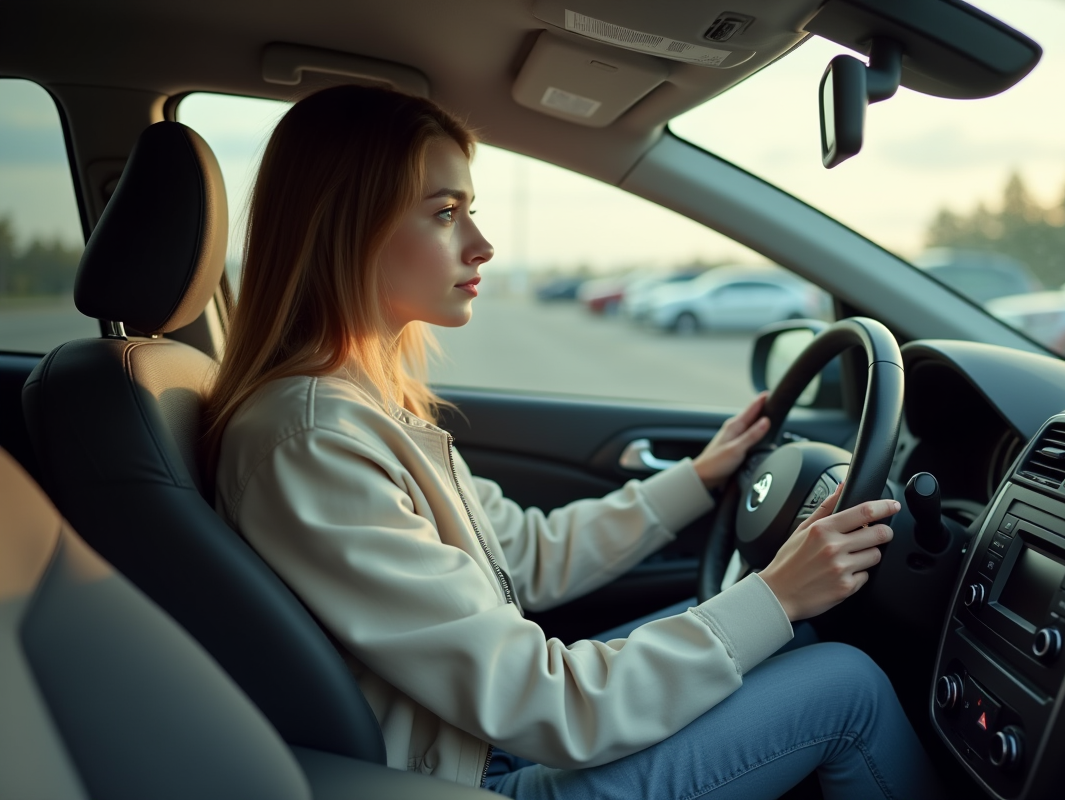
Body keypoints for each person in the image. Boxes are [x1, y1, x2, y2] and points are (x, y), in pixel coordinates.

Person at [200, 84, 941, 799]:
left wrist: (700, 478)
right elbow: (547, 703)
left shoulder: (357, 407)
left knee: (794, 640)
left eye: (472, 211)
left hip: (475, 742)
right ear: (346, 225)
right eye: (445, 213)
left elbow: (522, 553)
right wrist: (775, 592)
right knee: (847, 686)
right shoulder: (311, 440)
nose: (481, 244)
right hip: (467, 780)